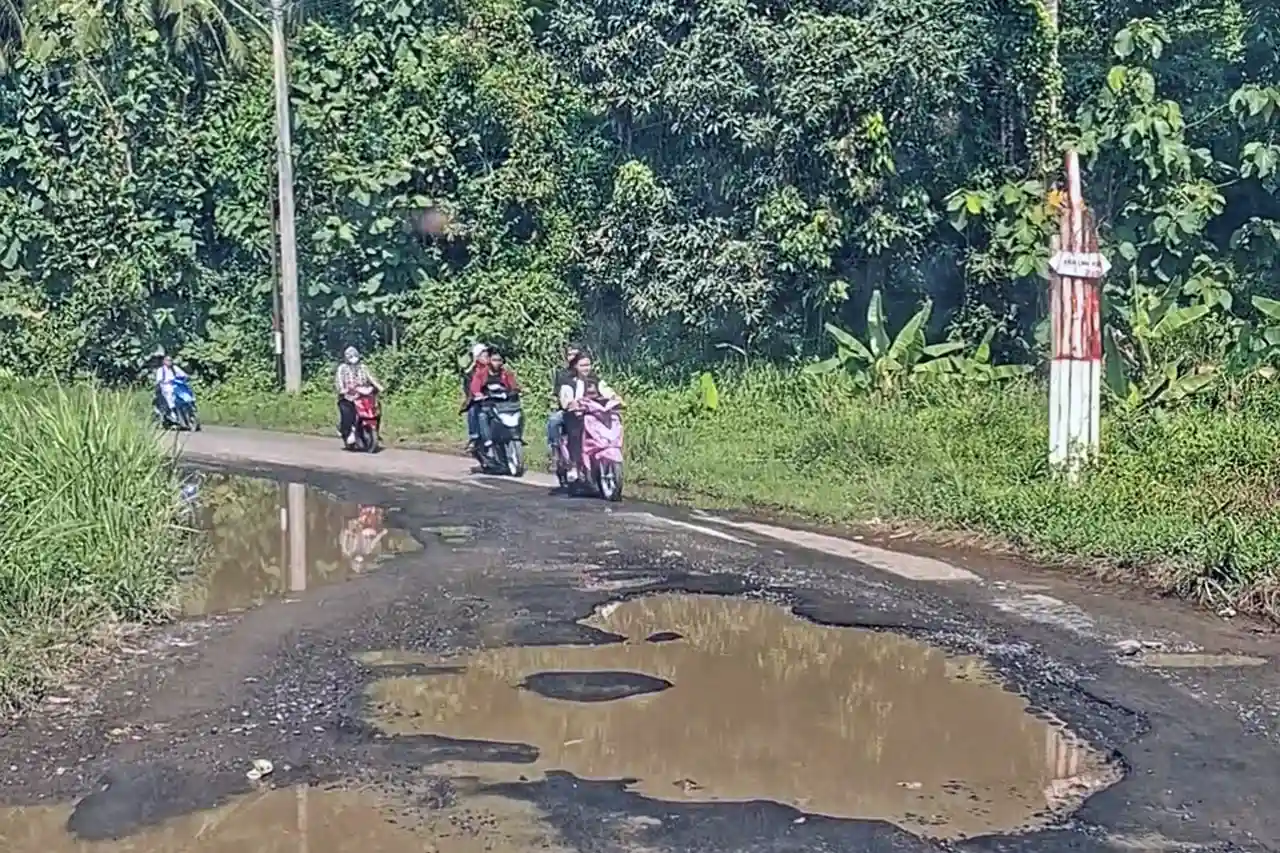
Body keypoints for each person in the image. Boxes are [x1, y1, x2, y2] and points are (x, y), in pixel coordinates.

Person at [558, 350, 620, 480]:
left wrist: (615, 397)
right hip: (576, 416)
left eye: (588, 365)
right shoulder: (568, 382)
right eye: (582, 365)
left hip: (594, 415)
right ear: (575, 366)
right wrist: (571, 404)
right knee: (576, 431)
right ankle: (574, 465)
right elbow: (565, 399)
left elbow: (607, 391)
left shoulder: (596, 381)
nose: (586, 368)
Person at [468, 348, 521, 448]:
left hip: (503, 405)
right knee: (482, 416)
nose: (497, 363)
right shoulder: (481, 374)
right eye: (494, 360)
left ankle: (516, 434)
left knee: (518, 413)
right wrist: (479, 395)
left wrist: (515, 391)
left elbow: (514, 386)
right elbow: (475, 388)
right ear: (489, 361)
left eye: (499, 360)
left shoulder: (506, 374)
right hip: (487, 403)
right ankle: (487, 440)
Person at [335, 346, 383, 447]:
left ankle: (374, 431)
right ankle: (347, 431)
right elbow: (339, 382)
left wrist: (379, 388)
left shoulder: (363, 367)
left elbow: (371, 378)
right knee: (348, 413)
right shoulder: (342, 368)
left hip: (363, 395)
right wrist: (343, 390)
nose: (353, 360)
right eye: (351, 357)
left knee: (377, 409)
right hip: (348, 397)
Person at [546, 342, 582, 465]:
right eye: (570, 354)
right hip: (567, 410)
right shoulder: (562, 375)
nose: (572, 357)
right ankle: (555, 452)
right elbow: (556, 394)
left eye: (575, 354)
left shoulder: (588, 375)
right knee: (553, 420)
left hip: (587, 410)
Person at [460, 343, 489, 451]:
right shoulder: (470, 372)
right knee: (473, 410)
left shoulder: (496, 368)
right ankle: (474, 437)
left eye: (487, 354)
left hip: (496, 399)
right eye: (483, 354)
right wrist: (476, 395)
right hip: (479, 401)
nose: (486, 356)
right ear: (477, 357)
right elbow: (469, 390)